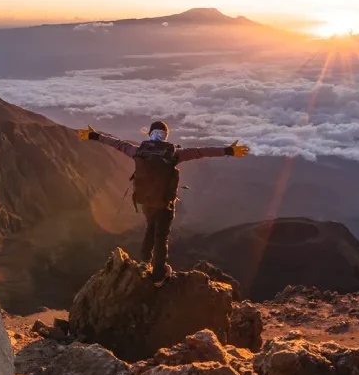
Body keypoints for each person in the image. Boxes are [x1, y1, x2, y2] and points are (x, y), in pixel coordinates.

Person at [78, 120, 249, 282]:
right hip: (165, 204)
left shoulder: (138, 151)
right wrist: (228, 150)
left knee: (150, 227)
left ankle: (144, 260)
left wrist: (95, 136)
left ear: (150, 134)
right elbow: (200, 152)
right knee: (161, 237)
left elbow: (117, 144)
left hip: (145, 201)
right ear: (166, 135)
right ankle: (159, 276)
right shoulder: (174, 154)